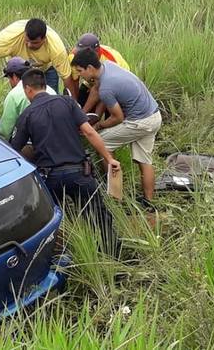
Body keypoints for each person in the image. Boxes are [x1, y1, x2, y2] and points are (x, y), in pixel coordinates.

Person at [10, 69, 121, 256]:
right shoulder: (67, 102)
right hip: (80, 173)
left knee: (52, 222)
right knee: (99, 217)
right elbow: (89, 132)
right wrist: (109, 158)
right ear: (44, 85)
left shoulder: (27, 115)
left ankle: (63, 258)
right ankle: (112, 257)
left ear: (27, 89)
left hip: (50, 178)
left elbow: (15, 150)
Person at [71, 49, 161, 206]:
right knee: (144, 160)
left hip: (140, 121)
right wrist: (84, 114)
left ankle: (114, 195)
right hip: (154, 115)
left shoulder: (107, 87)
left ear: (90, 68)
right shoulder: (108, 66)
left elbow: (118, 117)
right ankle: (149, 202)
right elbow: (96, 91)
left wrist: (98, 126)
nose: (79, 75)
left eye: (80, 71)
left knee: (102, 143)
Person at [0, 18, 74, 94]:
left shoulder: (56, 47)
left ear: (44, 39)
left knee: (50, 101)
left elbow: (66, 77)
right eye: (27, 41)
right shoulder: (11, 36)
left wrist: (74, 107)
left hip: (47, 69)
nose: (29, 45)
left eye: (34, 43)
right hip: (20, 69)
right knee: (20, 100)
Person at [0, 57, 56, 141]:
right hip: (52, 141)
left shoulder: (13, 94)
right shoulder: (50, 90)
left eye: (9, 78)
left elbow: (5, 131)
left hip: (28, 145)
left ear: (14, 76)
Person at [68, 33, 130, 113]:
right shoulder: (74, 56)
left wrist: (85, 113)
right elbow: (75, 81)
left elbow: (102, 90)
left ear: (95, 52)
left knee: (110, 109)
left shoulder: (111, 60)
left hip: (117, 83)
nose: (79, 55)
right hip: (94, 79)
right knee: (82, 96)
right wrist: (76, 105)